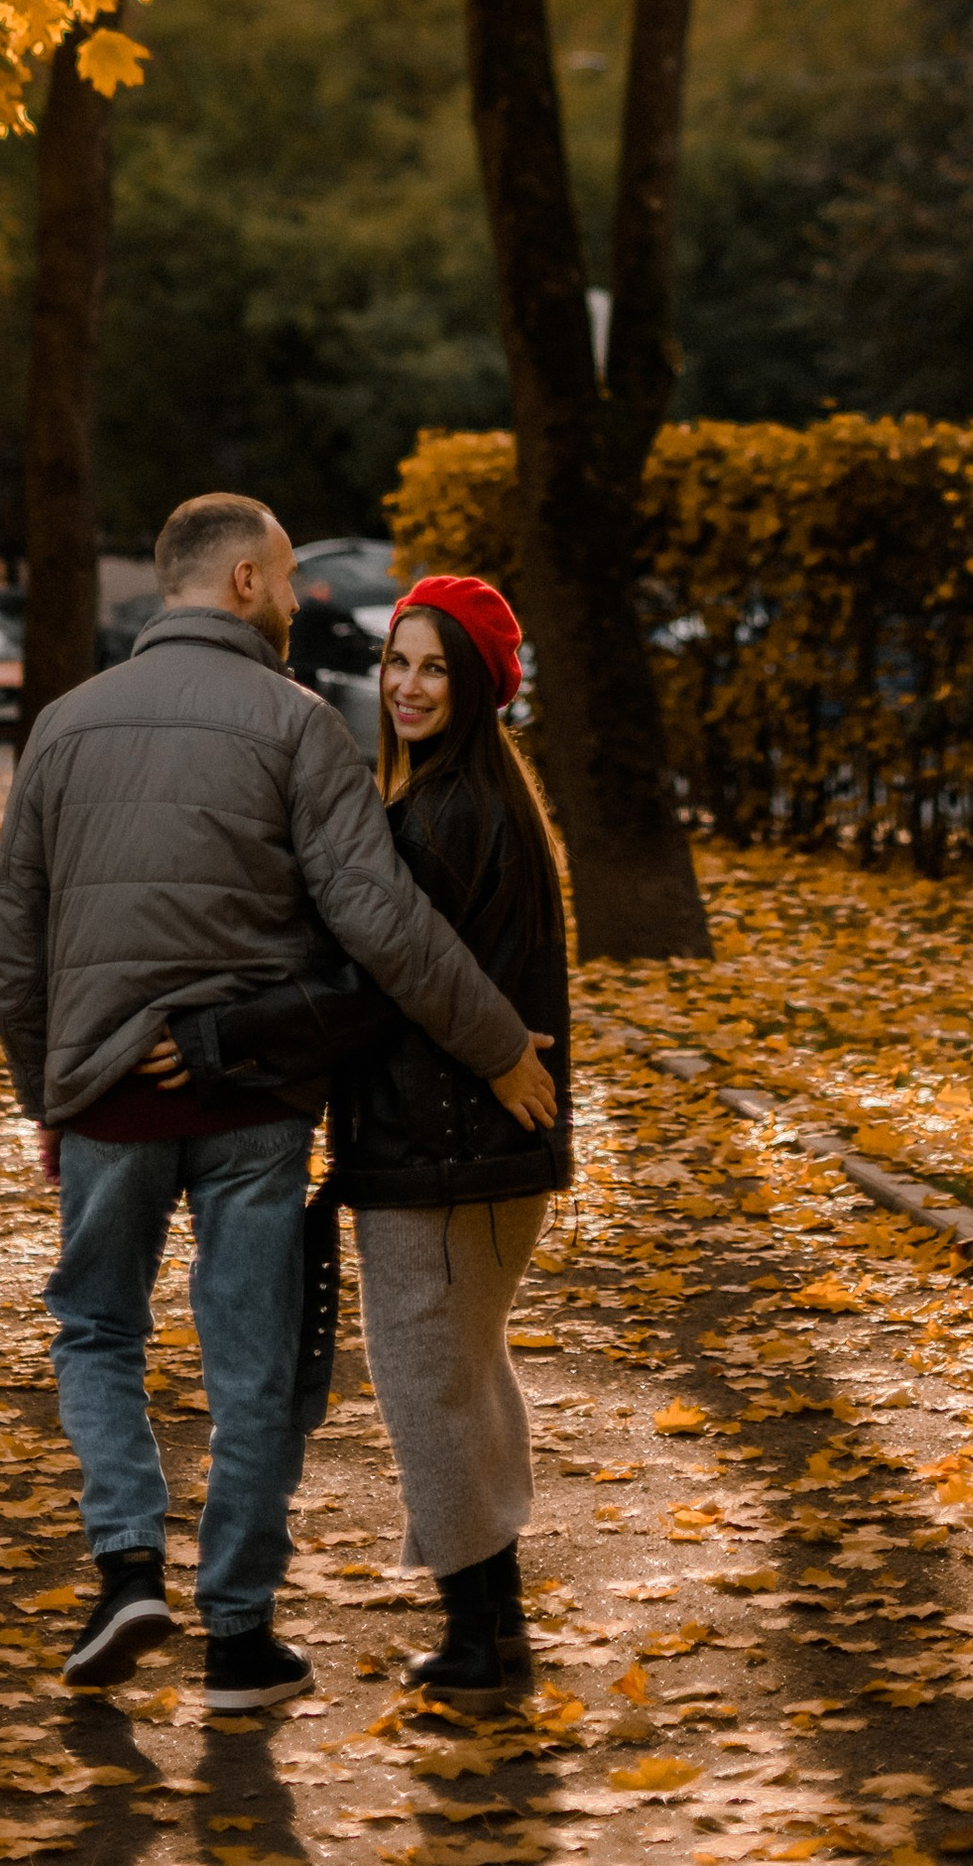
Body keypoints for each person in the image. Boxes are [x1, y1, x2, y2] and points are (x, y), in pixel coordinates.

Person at [0, 495, 557, 1708]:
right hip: (255, 1108)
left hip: (109, 1097)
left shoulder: (62, 726)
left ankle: (126, 1567)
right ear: (245, 580)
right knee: (253, 1369)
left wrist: (49, 1094)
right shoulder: (300, 725)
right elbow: (380, 923)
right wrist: (501, 1043)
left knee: (97, 1331)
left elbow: (14, 944)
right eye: (291, 578)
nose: (300, 600)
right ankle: (238, 1638)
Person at [331, 572, 573, 1700]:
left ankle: (478, 1644)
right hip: (488, 1156)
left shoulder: (436, 818)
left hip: (439, 1158)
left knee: (429, 1390)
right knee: (468, 1379)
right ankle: (497, 1626)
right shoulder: (493, 799)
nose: (408, 686)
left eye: (436, 667)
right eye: (398, 661)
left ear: (479, 686)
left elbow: (379, 992)